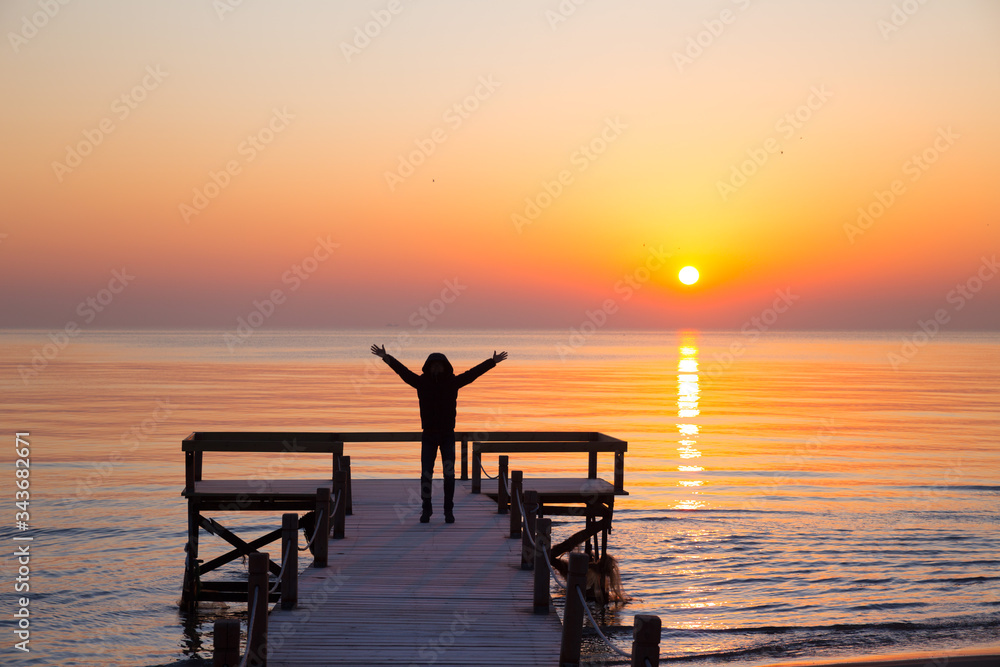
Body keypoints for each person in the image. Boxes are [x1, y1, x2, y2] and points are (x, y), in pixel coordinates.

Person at [371, 344, 507, 523]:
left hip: (447, 436)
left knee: (449, 475)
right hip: (428, 436)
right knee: (426, 474)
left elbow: (472, 374)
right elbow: (402, 372)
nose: (436, 367)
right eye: (433, 365)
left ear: (445, 367)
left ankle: (448, 511)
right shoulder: (421, 383)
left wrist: (492, 362)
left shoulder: (452, 383)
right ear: (428, 367)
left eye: (439, 365)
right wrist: (386, 357)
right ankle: (426, 510)